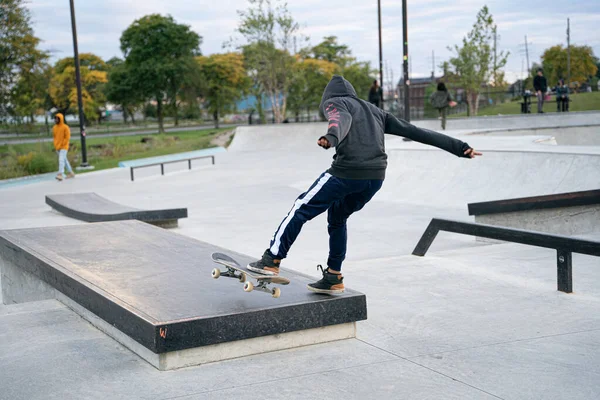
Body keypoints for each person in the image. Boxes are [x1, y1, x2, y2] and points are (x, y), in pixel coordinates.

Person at [247, 75, 482, 294]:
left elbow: (341, 120)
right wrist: (460, 147)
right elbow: (414, 131)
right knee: (337, 217)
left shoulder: (334, 102)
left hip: (346, 172)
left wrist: (331, 138)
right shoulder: (376, 111)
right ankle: (333, 276)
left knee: (301, 207)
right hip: (375, 178)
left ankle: (272, 260)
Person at [53, 113, 75, 181]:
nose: (56, 120)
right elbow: (55, 137)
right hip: (57, 147)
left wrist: (62, 144)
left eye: (58, 118)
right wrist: (56, 145)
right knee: (64, 160)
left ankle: (60, 174)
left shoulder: (65, 127)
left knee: (61, 160)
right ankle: (70, 173)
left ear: (61, 119)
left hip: (64, 147)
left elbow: (67, 137)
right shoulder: (54, 128)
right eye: (55, 118)